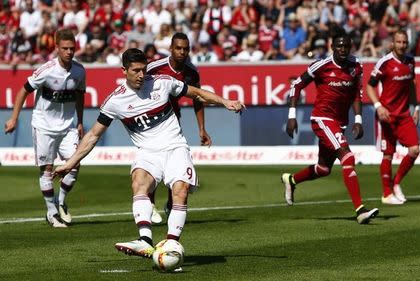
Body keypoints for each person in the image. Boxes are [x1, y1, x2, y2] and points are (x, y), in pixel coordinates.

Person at [53, 48, 244, 258]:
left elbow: (196, 93)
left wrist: (225, 101)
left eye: (144, 70)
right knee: (139, 181)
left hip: (175, 147)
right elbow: (92, 136)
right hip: (148, 152)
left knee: (180, 190)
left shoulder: (162, 82)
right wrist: (70, 162)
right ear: (124, 70)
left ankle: (171, 245)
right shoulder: (114, 102)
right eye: (135, 70)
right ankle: (144, 240)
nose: (141, 75)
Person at [282, 33, 379, 224]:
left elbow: (357, 95)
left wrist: (358, 120)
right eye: (339, 46)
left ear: (351, 47)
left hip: (339, 122)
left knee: (323, 168)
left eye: (346, 46)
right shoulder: (322, 65)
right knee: (347, 156)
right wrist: (291, 116)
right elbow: (296, 85)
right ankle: (360, 210)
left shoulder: (356, 66)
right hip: (322, 118)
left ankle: (291, 180)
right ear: (332, 47)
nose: (342, 49)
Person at [4, 28, 86, 228]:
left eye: (72, 48)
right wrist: (14, 118)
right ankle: (51, 213)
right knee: (47, 170)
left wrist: (81, 121)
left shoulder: (79, 70)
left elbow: (80, 95)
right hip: (44, 126)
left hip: (68, 126)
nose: (69, 52)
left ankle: (61, 201)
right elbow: (23, 91)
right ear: (57, 48)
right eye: (65, 48)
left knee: (74, 165)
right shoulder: (46, 71)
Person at [146, 32, 212, 223]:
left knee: (174, 163)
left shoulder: (191, 72)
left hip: (173, 121)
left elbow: (198, 99)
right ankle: (149, 204)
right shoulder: (155, 68)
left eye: (185, 49)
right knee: (153, 162)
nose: (182, 52)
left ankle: (169, 204)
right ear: (171, 49)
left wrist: (202, 129)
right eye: (178, 48)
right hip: (151, 122)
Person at [366, 30, 420, 205]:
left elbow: (411, 86)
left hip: (404, 114)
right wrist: (378, 106)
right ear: (393, 43)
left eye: (405, 42)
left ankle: (396, 183)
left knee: (414, 150)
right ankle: (387, 194)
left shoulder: (410, 61)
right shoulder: (384, 63)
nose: (402, 45)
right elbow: (369, 86)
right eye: (399, 42)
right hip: (386, 115)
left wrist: (416, 107)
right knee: (388, 154)